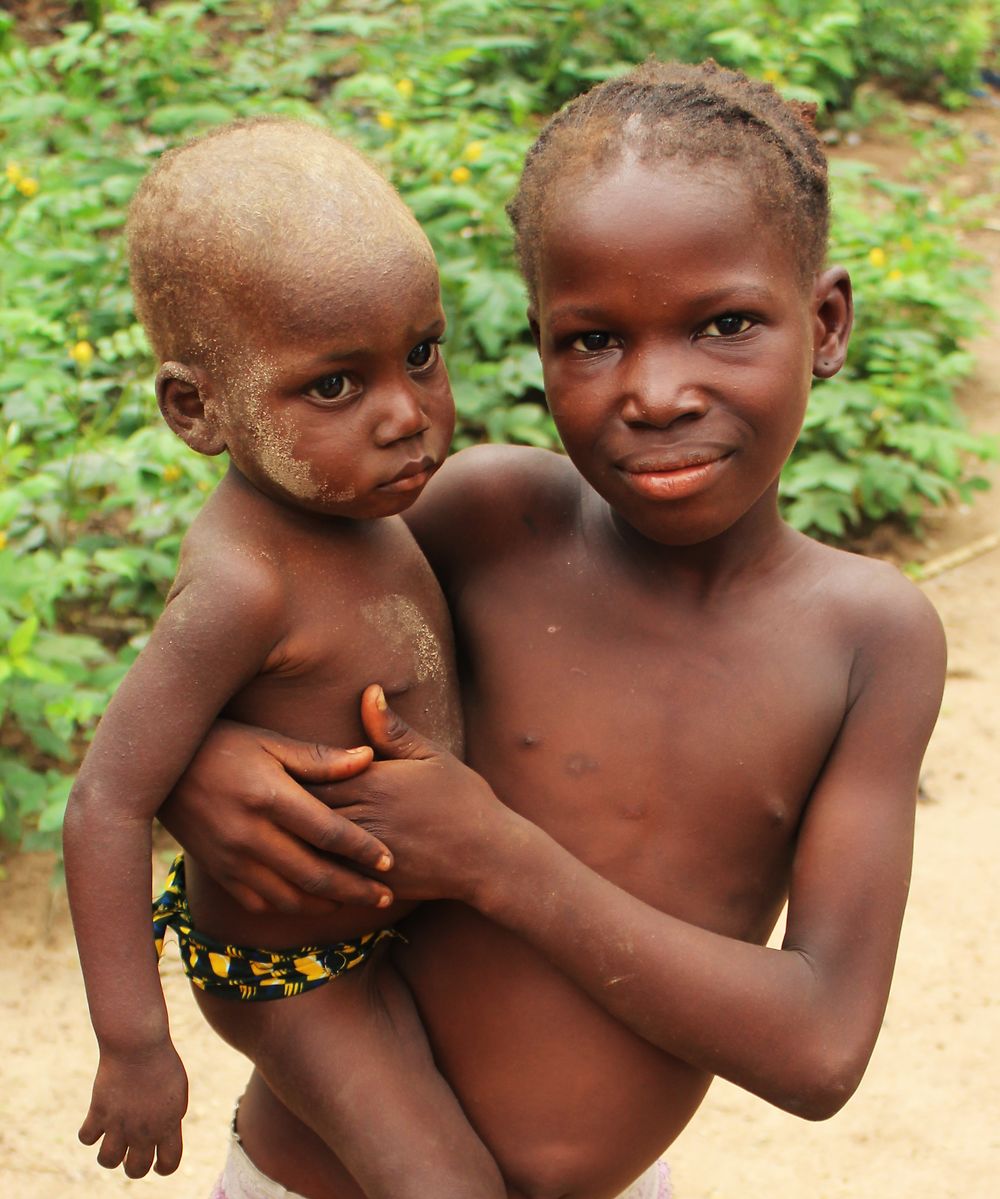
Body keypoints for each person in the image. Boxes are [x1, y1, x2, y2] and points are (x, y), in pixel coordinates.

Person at [163, 62, 946, 1199]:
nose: (658, 391)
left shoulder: (869, 641)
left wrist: (495, 857)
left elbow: (821, 1047)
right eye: (592, 340)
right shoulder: (486, 519)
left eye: (724, 323)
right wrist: (201, 767)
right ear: (537, 347)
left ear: (822, 323)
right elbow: (229, 632)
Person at [62, 118, 507, 1199]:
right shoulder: (245, 583)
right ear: (196, 409)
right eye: (334, 386)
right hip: (293, 972)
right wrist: (134, 1042)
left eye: (421, 353)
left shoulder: (370, 505)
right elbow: (106, 802)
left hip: (398, 926)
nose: (406, 414)